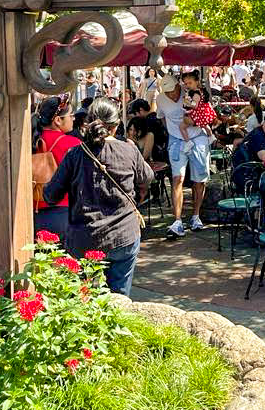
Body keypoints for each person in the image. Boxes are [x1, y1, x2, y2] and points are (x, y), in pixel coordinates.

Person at [41, 98, 152, 294]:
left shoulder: (75, 154)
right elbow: (147, 177)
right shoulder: (129, 149)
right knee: (120, 301)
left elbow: (51, 195)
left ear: (88, 122)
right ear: (116, 126)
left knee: (88, 300)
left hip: (86, 239)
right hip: (124, 234)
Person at [155, 75, 210, 237]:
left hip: (198, 136)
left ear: (179, 86)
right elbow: (162, 117)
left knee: (199, 178)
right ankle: (177, 220)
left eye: (173, 91)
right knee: (177, 178)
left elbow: (205, 110)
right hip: (177, 140)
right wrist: (173, 132)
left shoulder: (190, 92)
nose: (171, 95)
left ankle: (196, 215)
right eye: (168, 93)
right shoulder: (160, 99)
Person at [33, 96, 82, 240]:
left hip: (33, 213)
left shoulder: (30, 141)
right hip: (65, 212)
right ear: (58, 120)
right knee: (66, 261)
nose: (73, 118)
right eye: (71, 115)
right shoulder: (74, 144)